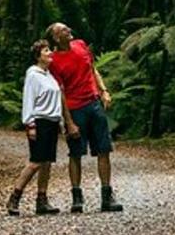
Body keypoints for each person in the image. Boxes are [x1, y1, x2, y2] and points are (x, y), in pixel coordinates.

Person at [46, 22, 123, 214]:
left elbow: (93, 69)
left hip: (94, 104)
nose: (69, 30)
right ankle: (77, 198)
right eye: (64, 30)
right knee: (76, 153)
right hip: (75, 109)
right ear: (56, 38)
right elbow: (60, 92)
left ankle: (107, 196)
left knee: (104, 149)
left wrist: (103, 91)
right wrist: (68, 121)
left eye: (67, 28)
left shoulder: (81, 45)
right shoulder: (54, 61)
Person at [7, 39, 63, 216]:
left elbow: (56, 99)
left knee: (47, 162)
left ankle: (42, 199)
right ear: (38, 56)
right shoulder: (33, 75)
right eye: (46, 51)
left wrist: (60, 120)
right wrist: (29, 124)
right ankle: (15, 197)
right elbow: (29, 100)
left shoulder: (49, 75)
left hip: (52, 122)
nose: (50, 53)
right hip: (39, 122)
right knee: (35, 162)